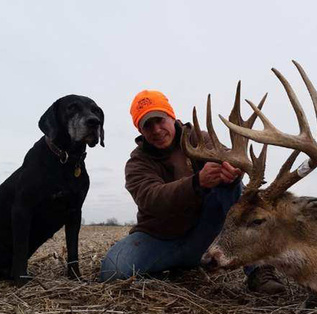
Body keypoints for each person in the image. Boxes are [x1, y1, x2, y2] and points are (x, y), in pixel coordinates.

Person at [100, 90, 285, 294]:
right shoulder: (137, 163)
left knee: (230, 186)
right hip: (160, 237)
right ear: (141, 131)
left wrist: (233, 172)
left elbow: (231, 165)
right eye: (147, 125)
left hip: (205, 235)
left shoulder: (200, 139)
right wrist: (197, 182)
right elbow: (150, 198)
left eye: (160, 120)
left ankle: (259, 270)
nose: (156, 130)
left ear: (172, 117)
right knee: (113, 269)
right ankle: (175, 265)